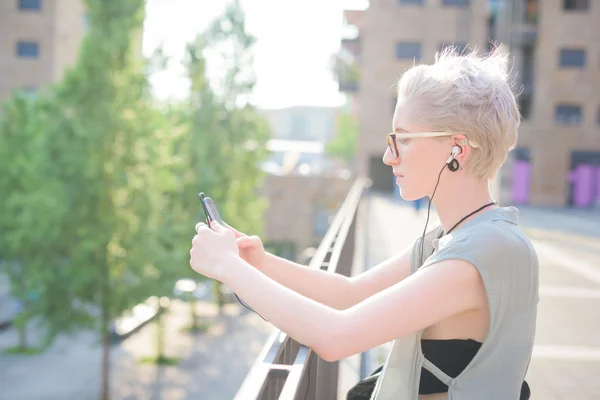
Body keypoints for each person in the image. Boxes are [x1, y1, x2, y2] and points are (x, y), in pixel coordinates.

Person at [189, 45, 539, 400]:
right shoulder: (457, 239)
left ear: (457, 150)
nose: (389, 156)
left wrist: (229, 268)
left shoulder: (480, 252)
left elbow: (336, 336)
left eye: (402, 139)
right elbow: (349, 293)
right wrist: (259, 262)